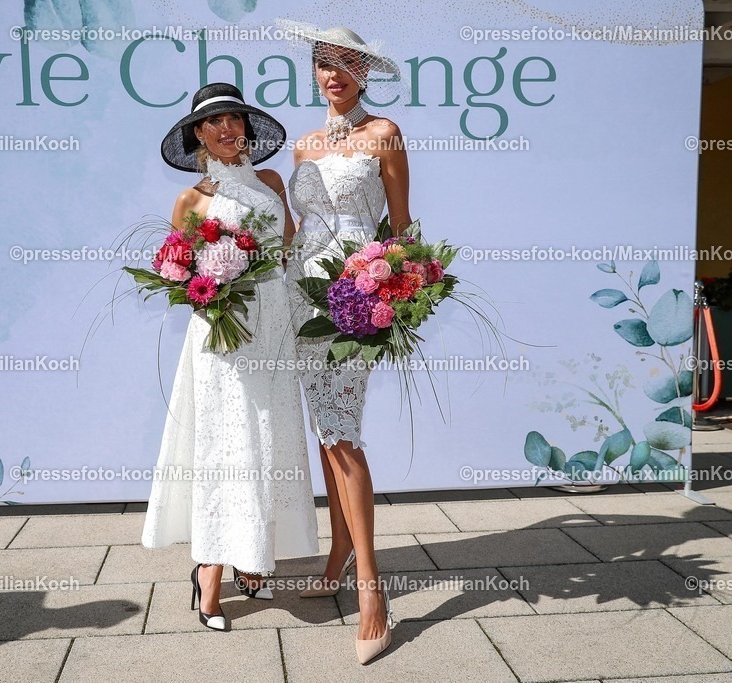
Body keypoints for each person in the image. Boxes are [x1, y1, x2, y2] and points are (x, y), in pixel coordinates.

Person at [140, 82, 318, 632]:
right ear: (198, 133)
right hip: (223, 334)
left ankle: (253, 558)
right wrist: (214, 287)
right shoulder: (191, 200)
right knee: (227, 441)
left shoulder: (269, 182)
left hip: (272, 326)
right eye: (214, 123)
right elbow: (179, 271)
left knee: (268, 437)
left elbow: (287, 246)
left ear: (246, 126)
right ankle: (209, 574)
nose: (226, 130)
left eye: (234, 120)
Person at [281, 22, 409, 664]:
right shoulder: (302, 145)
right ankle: (337, 557)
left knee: (341, 433)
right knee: (325, 435)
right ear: (313, 71)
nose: (334, 74)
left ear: (365, 70)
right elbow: (297, 231)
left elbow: (403, 229)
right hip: (301, 299)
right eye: (323, 63)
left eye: (345, 63)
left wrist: (395, 293)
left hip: (355, 299)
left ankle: (371, 592)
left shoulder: (383, 133)